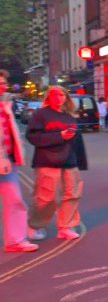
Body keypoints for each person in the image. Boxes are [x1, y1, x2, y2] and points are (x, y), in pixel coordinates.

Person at [26, 86, 88, 241]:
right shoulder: (41, 114)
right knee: (46, 197)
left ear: (66, 97)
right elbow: (32, 137)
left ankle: (65, 227)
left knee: (72, 194)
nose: (59, 98)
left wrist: (80, 161)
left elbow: (77, 141)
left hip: (69, 161)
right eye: (54, 95)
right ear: (48, 98)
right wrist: (59, 136)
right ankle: (36, 225)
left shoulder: (70, 116)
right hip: (47, 161)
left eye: (62, 95)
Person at [0, 70, 39, 253]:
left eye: (3, 82)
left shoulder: (6, 104)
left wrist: (17, 152)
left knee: (15, 200)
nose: (3, 86)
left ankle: (15, 240)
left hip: (8, 163)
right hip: (3, 161)